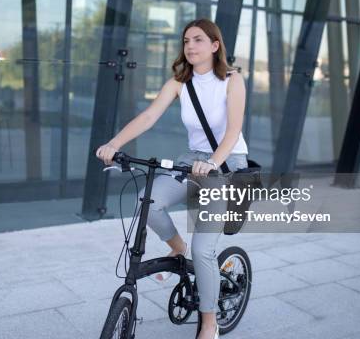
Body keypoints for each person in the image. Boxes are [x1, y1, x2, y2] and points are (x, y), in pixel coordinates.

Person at [96, 18, 248, 339]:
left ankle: (209, 323)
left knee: (204, 249)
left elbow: (233, 130)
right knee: (147, 202)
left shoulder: (232, 81)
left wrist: (213, 163)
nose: (190, 46)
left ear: (214, 46)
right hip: (191, 162)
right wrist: (114, 144)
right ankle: (178, 250)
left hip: (225, 164)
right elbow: (148, 116)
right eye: (186, 41)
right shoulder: (179, 82)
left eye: (197, 40)